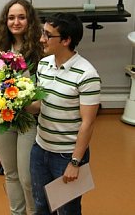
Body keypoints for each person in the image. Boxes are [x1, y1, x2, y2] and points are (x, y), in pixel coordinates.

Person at [29, 12, 101, 214]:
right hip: (40, 149)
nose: (42, 39)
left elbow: (88, 124)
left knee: (68, 210)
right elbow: (40, 105)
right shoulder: (43, 65)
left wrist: (75, 162)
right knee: (41, 206)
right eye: (43, 33)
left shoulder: (87, 74)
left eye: (48, 35)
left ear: (66, 40)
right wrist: (19, 105)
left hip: (66, 155)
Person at [0, 0, 44, 215]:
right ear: (5, 21)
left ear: (30, 20)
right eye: (11, 17)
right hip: (3, 117)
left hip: (28, 120)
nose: (16, 22)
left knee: (27, 177)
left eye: (21, 17)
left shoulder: (40, 48)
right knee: (10, 173)